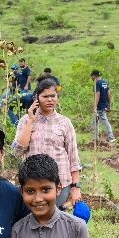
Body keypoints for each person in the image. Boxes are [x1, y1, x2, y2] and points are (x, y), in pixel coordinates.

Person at [12, 79, 83, 210]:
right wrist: (31, 121)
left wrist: (76, 187)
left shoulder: (65, 123)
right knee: (32, 221)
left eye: (53, 96)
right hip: (33, 183)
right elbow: (18, 151)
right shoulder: (25, 120)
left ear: (57, 98)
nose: (49, 99)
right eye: (45, 96)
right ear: (37, 98)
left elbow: (73, 158)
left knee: (56, 222)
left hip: (60, 183)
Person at [91, 70, 115, 144]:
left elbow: (97, 94)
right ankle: (96, 138)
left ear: (94, 76)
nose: (91, 78)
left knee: (104, 121)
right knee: (94, 122)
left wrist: (95, 106)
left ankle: (111, 137)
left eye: (92, 77)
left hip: (100, 106)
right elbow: (109, 94)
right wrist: (109, 105)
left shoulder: (97, 83)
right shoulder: (105, 82)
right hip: (104, 105)